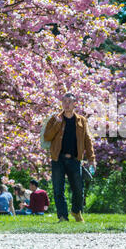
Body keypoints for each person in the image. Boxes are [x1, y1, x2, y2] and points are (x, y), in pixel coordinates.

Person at [43, 92, 96, 223]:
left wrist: (91, 159)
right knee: (58, 189)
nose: (66, 104)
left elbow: (87, 140)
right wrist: (57, 124)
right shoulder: (55, 119)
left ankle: (76, 211)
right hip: (58, 159)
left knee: (78, 189)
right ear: (62, 103)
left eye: (69, 102)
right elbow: (47, 137)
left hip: (75, 159)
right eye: (64, 101)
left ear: (74, 104)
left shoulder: (81, 120)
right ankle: (62, 216)